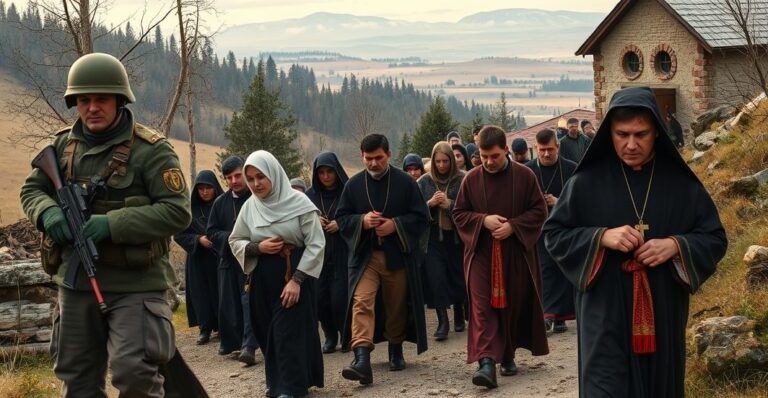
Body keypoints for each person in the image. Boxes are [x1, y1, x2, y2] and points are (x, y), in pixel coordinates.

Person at [20, 52, 194, 396]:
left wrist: (112, 224)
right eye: (83, 100)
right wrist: (48, 212)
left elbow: (177, 211)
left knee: (134, 374)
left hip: (136, 283)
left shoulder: (151, 151)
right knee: (77, 380)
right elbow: (32, 190)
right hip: (76, 283)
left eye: (101, 99)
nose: (92, 108)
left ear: (119, 100)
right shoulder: (63, 146)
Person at [544, 87, 727, 397]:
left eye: (640, 134)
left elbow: (714, 238)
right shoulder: (585, 183)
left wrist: (676, 246)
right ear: (609, 134)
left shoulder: (681, 186)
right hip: (604, 317)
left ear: (656, 132)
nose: (631, 144)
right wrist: (600, 237)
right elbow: (554, 235)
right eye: (622, 134)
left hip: (662, 314)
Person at [453, 125, 549, 389]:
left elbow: (539, 210)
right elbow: (459, 213)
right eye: (483, 156)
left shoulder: (525, 176)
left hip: (514, 253)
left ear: (506, 150)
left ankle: (507, 354)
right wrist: (483, 221)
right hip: (481, 253)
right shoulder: (471, 179)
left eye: (494, 156)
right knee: (482, 307)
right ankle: (486, 363)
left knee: (510, 304)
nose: (488, 162)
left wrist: (514, 226)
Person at [229, 150, 325, 398]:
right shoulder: (250, 207)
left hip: (293, 275)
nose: (256, 184)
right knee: (268, 332)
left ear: (273, 173)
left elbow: (316, 243)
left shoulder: (300, 203)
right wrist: (257, 248)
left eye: (261, 177)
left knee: (287, 332)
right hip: (262, 279)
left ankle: (290, 389)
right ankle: (277, 383)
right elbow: (235, 240)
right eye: (251, 179)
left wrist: (297, 280)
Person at [337, 134, 429, 385]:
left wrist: (395, 225)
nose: (373, 163)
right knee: (362, 301)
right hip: (365, 257)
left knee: (395, 305)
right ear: (361, 156)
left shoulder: (406, 183)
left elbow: (422, 218)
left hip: (396, 256)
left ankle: (395, 348)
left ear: (389, 154)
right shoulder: (353, 185)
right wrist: (362, 221)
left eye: (378, 158)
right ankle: (361, 359)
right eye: (368, 158)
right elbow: (342, 219)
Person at [207, 156, 260, 365]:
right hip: (228, 260)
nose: (234, 181)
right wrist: (233, 238)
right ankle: (233, 343)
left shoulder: (257, 199)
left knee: (250, 302)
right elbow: (212, 232)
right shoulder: (220, 203)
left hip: (253, 259)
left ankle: (249, 346)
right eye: (229, 178)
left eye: (237, 176)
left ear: (245, 174)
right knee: (229, 305)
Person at [524, 130, 577, 334]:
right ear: (536, 148)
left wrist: (558, 202)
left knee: (562, 271)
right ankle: (548, 314)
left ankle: (560, 316)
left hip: (563, 229)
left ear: (558, 147)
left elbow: (579, 200)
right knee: (544, 271)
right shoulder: (527, 171)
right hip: (537, 230)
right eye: (542, 150)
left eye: (550, 149)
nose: (546, 154)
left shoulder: (571, 169)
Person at [417, 142, 467, 341]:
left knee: (457, 277)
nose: (441, 165)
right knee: (436, 278)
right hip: (432, 238)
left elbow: (470, 209)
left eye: (445, 161)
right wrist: (429, 204)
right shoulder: (424, 181)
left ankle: (459, 312)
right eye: (437, 161)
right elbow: (414, 209)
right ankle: (442, 321)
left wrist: (449, 204)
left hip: (456, 238)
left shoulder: (463, 179)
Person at [305, 151, 350, 354]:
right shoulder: (309, 196)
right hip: (319, 256)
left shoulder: (347, 192)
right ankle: (330, 335)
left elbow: (357, 216)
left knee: (340, 299)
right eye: (321, 172)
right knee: (320, 300)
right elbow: (301, 220)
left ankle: (346, 334)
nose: (325, 176)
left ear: (336, 171)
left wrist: (340, 224)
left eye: (329, 172)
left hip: (342, 253)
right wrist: (314, 221)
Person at [174, 170, 224, 345]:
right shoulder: (189, 210)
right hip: (198, 260)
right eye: (201, 188)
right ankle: (205, 328)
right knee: (201, 294)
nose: (204, 192)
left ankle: (223, 326)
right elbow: (179, 235)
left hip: (219, 258)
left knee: (221, 293)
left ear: (215, 188)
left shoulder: (223, 205)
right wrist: (198, 240)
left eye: (208, 188)